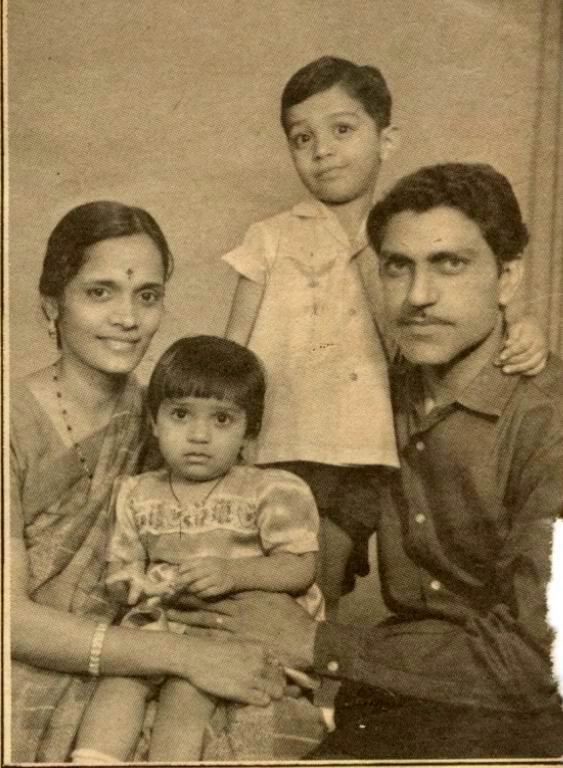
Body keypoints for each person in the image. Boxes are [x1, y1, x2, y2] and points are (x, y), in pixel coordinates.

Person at [173, 163, 563, 759]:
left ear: (507, 278)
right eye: (397, 266)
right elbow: (322, 524)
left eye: (449, 264)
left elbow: (542, 658)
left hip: (525, 716)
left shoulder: (548, 422)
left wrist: (318, 642)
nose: (418, 296)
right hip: (393, 691)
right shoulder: (380, 390)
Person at [223, 56, 548, 616]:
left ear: (387, 139)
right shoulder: (272, 236)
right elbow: (231, 354)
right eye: (303, 138)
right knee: (276, 582)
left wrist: (524, 325)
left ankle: (310, 692)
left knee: (323, 590)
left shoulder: (401, 236)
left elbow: (453, 323)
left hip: (369, 450)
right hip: (283, 440)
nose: (322, 150)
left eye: (342, 129)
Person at [10, 203, 283, 764]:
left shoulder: (172, 422)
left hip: (146, 651)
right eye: (100, 292)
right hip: (34, 655)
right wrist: (177, 657)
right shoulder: (10, 419)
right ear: (50, 305)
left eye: (147, 296)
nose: (128, 318)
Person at [72, 335, 325, 762]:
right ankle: (94, 759)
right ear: (154, 422)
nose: (199, 435)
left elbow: (300, 566)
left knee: (187, 689)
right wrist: (130, 583)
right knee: (121, 677)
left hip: (235, 626)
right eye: (181, 414)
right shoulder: (137, 492)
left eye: (222, 420)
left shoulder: (272, 489)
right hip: (164, 622)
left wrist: (234, 573)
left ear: (250, 429)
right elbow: (124, 563)